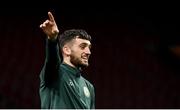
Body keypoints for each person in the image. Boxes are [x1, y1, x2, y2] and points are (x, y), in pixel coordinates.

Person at [39, 11, 95, 109]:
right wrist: (52, 39)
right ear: (67, 50)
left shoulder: (89, 87)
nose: (88, 52)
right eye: (83, 47)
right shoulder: (54, 73)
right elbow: (52, 60)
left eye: (89, 47)